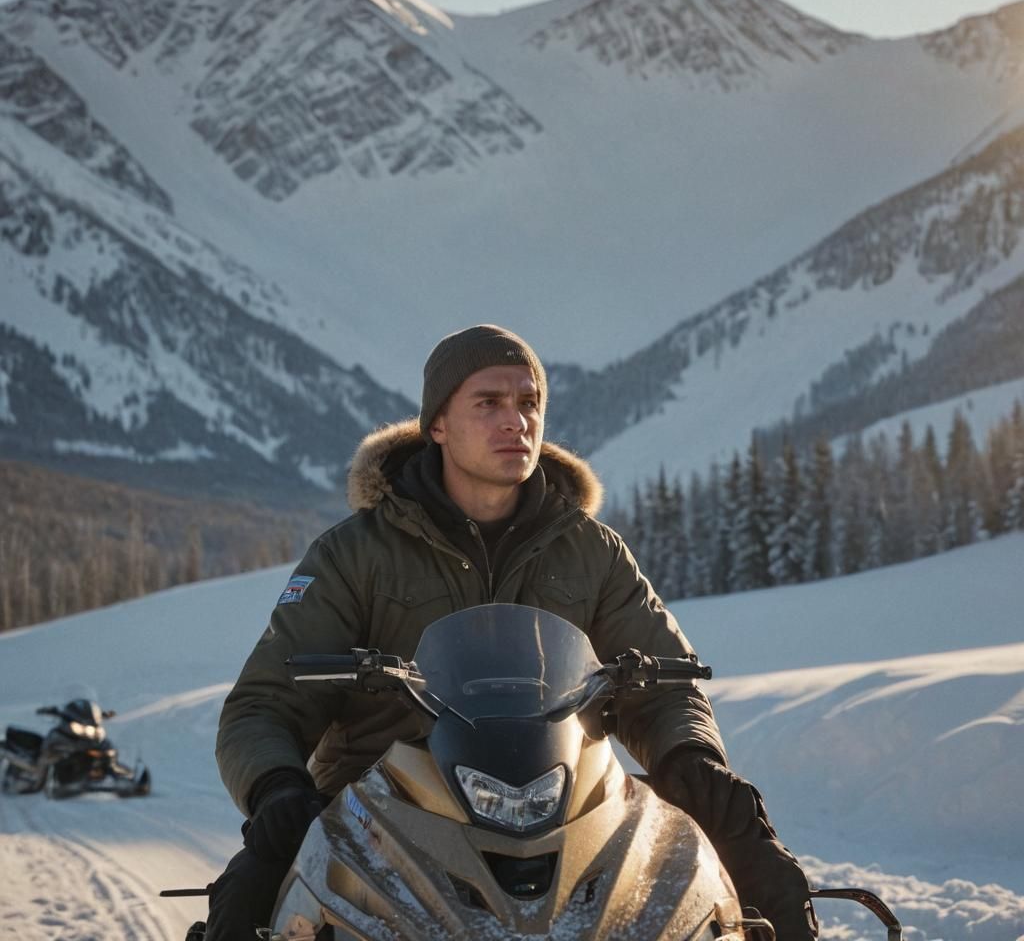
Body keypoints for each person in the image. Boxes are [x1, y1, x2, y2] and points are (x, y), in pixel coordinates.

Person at [206, 324, 817, 940]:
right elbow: (264, 705)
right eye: (489, 403)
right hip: (379, 819)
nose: (515, 422)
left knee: (745, 881)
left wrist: (692, 759)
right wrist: (278, 789)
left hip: (568, 811)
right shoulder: (354, 554)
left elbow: (666, 686)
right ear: (437, 424)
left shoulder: (591, 550)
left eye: (529, 404)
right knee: (247, 900)